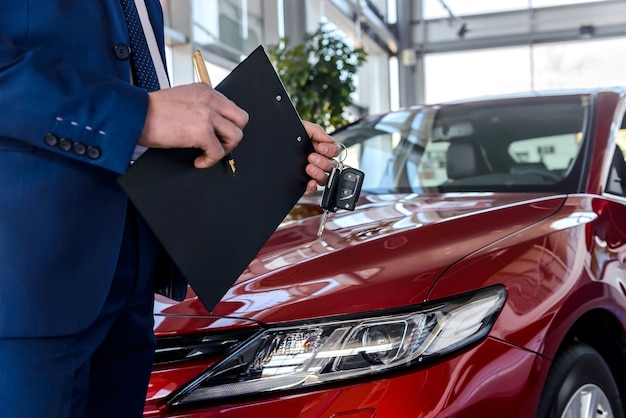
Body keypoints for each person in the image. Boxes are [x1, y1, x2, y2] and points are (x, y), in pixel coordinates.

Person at [0, 1, 338, 417]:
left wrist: (263, 146)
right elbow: (140, 113)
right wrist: (140, 115)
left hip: (136, 274)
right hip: (28, 282)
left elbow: (141, 102)